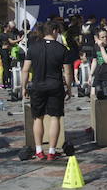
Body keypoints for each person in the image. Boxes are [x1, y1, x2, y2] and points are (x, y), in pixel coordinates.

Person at [21, 21, 72, 160]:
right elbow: (68, 73)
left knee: (38, 118)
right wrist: (69, 88)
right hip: (55, 86)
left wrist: (23, 87)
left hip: (37, 86)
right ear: (54, 31)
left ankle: (38, 150)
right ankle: (51, 151)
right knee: (55, 117)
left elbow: (25, 70)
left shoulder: (32, 47)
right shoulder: (62, 49)